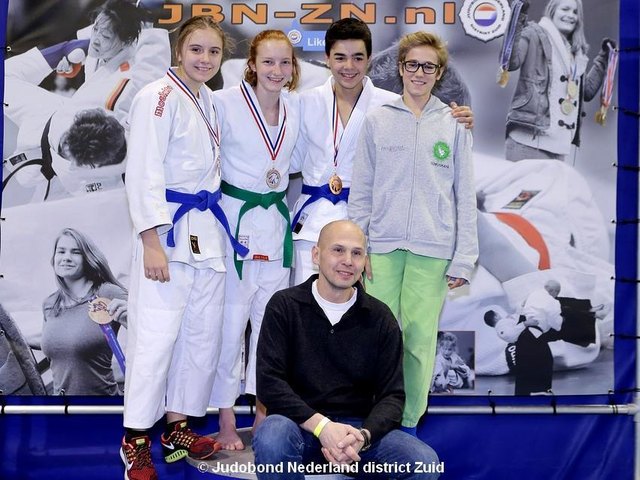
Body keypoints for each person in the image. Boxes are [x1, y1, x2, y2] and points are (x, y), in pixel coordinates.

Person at [121, 16, 239, 480]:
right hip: (167, 235)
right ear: (178, 52)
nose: (205, 59)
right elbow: (143, 171)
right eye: (196, 50)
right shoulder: (157, 96)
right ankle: (134, 440)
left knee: (200, 337)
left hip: (206, 234)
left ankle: (177, 428)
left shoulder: (208, 99)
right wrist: (150, 240)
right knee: (155, 339)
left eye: (213, 52)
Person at [349, 32, 478, 433]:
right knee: (375, 337)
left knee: (420, 340)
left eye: (428, 66)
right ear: (400, 68)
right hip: (381, 249)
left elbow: (464, 196)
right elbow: (362, 191)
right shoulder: (377, 121)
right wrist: (358, 247)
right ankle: (371, 421)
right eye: (412, 65)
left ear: (438, 73)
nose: (419, 73)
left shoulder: (454, 125)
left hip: (433, 249)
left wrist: (464, 258)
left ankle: (407, 424)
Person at [290, 18, 474, 286]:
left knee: (362, 319)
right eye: (340, 57)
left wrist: (458, 118)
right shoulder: (304, 101)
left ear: (369, 59)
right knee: (306, 312)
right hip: (313, 223)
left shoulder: (392, 106)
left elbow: (431, 127)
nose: (349, 66)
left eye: (358, 58)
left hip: (370, 229)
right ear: (327, 58)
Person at [253, 220, 440, 480]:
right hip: (300, 426)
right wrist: (322, 427)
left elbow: (393, 397)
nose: (348, 261)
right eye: (338, 250)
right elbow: (269, 384)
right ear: (316, 255)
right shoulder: (284, 306)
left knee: (424, 463)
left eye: (357, 253)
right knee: (271, 437)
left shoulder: (380, 317)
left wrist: (363, 436)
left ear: (365, 260)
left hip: (357, 434)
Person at [209, 29, 300, 450]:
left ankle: (263, 415)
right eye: (268, 62)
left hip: (276, 226)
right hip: (235, 225)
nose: (276, 71)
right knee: (230, 327)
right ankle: (227, 418)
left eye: (284, 63)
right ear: (252, 64)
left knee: (271, 331)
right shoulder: (223, 102)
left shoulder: (296, 109)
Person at [3, 0, 170, 201]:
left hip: (87, 164)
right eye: (96, 29)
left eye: (105, 36)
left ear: (126, 42)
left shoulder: (132, 81)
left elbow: (152, 66)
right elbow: (95, 35)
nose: (96, 38)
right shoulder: (107, 35)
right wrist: (63, 52)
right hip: (54, 122)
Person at [502, 0, 615, 161]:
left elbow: (587, 92)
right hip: (527, 142)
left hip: (558, 147)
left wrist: (603, 59)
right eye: (565, 9)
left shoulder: (575, 53)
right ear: (552, 10)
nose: (571, 15)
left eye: (575, 12)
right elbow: (511, 62)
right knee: (528, 188)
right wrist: (518, 19)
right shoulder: (533, 34)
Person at [41, 227, 127, 396]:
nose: (66, 258)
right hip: (61, 411)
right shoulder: (50, 304)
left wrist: (132, 319)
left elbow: (148, 331)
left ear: (87, 258)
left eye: (75, 252)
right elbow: (60, 342)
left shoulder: (107, 293)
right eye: (61, 252)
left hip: (101, 408)